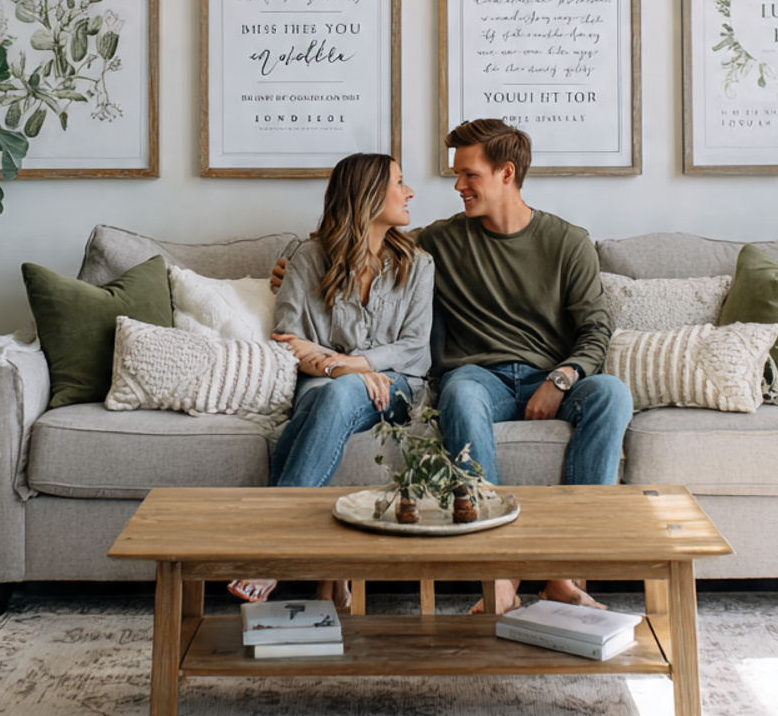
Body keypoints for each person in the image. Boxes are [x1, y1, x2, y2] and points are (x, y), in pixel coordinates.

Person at [418, 118, 630, 614]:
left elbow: (596, 330)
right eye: (457, 175)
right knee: (459, 392)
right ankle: (499, 576)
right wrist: (300, 260)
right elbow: (367, 242)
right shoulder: (441, 241)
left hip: (550, 376)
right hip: (480, 377)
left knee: (612, 393)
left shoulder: (567, 242)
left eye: (469, 175)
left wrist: (562, 378)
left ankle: (563, 573)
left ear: (505, 173)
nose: (457, 185)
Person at [229, 153, 433, 605]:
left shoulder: (418, 264)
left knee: (337, 391)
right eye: (400, 182)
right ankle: (328, 573)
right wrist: (342, 369)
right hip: (326, 383)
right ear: (367, 195)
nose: (410, 192)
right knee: (330, 395)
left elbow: (415, 349)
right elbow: (289, 341)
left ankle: (270, 552)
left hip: (397, 386)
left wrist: (351, 365)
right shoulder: (307, 259)